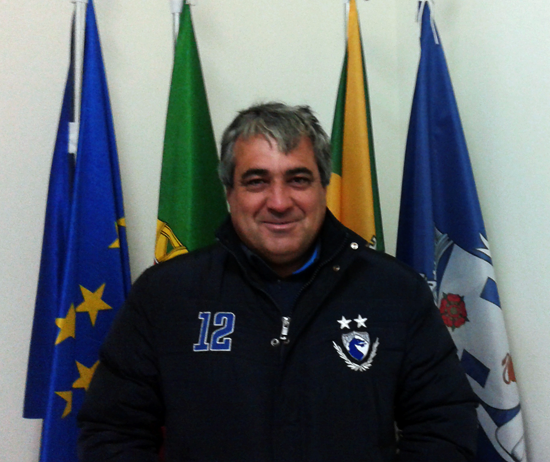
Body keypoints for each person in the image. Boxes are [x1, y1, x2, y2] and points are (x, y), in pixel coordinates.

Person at [78, 102, 478, 461]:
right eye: (256, 181)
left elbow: (445, 426)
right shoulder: (166, 293)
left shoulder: (395, 291)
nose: (280, 202)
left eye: (298, 179)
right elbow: (112, 431)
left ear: (324, 187)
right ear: (229, 192)